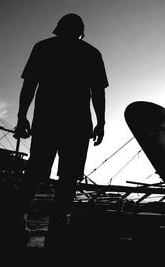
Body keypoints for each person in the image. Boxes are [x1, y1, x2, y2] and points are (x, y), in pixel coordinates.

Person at [14, 13, 108, 248]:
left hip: (47, 121)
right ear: (80, 31)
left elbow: (29, 85)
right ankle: (57, 228)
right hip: (75, 124)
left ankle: (18, 222)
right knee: (67, 178)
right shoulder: (91, 53)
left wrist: (22, 116)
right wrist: (101, 122)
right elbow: (98, 91)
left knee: (36, 173)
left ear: (59, 29)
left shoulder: (43, 48)